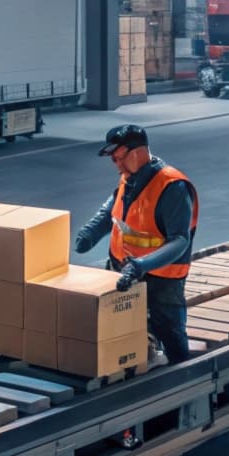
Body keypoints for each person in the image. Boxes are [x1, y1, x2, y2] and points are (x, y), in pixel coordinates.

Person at [74, 124, 197, 366]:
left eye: (119, 159)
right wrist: (89, 233)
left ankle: (184, 376)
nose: (117, 165)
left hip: (161, 277)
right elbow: (112, 211)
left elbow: (180, 240)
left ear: (137, 153)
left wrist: (141, 265)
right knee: (123, 331)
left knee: (169, 331)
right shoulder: (128, 179)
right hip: (124, 272)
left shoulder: (172, 186)